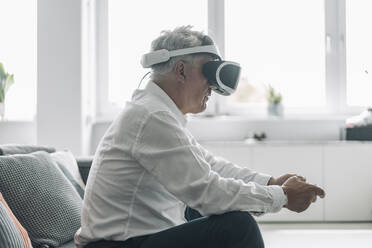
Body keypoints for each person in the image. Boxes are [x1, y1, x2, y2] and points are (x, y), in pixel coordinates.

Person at [74, 26, 325, 248]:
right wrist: (281, 196)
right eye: (209, 72)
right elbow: (208, 192)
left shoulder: (156, 112)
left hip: (134, 239)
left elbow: (210, 166)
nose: (214, 86)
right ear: (181, 70)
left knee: (206, 209)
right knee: (237, 226)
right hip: (116, 245)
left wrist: (270, 182)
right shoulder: (151, 116)